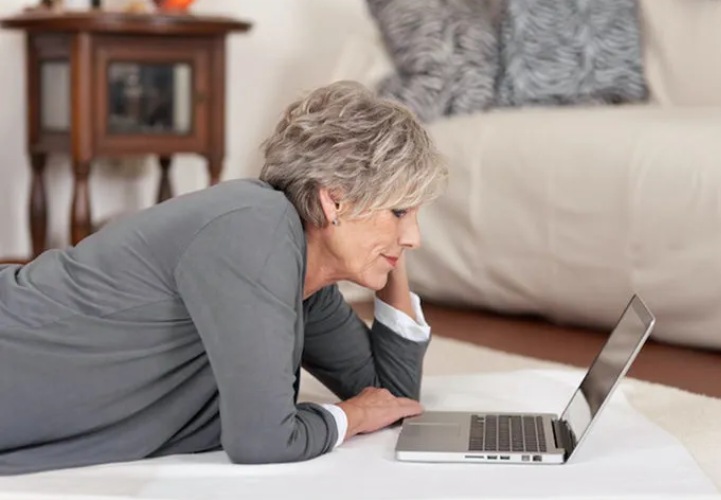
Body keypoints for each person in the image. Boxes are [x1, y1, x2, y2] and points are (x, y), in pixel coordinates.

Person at [0, 81, 448, 474]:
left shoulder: (306, 279)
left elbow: (392, 400)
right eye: (400, 212)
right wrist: (348, 416)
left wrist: (390, 246)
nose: (416, 238)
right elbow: (263, 440)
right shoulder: (254, 229)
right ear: (334, 202)